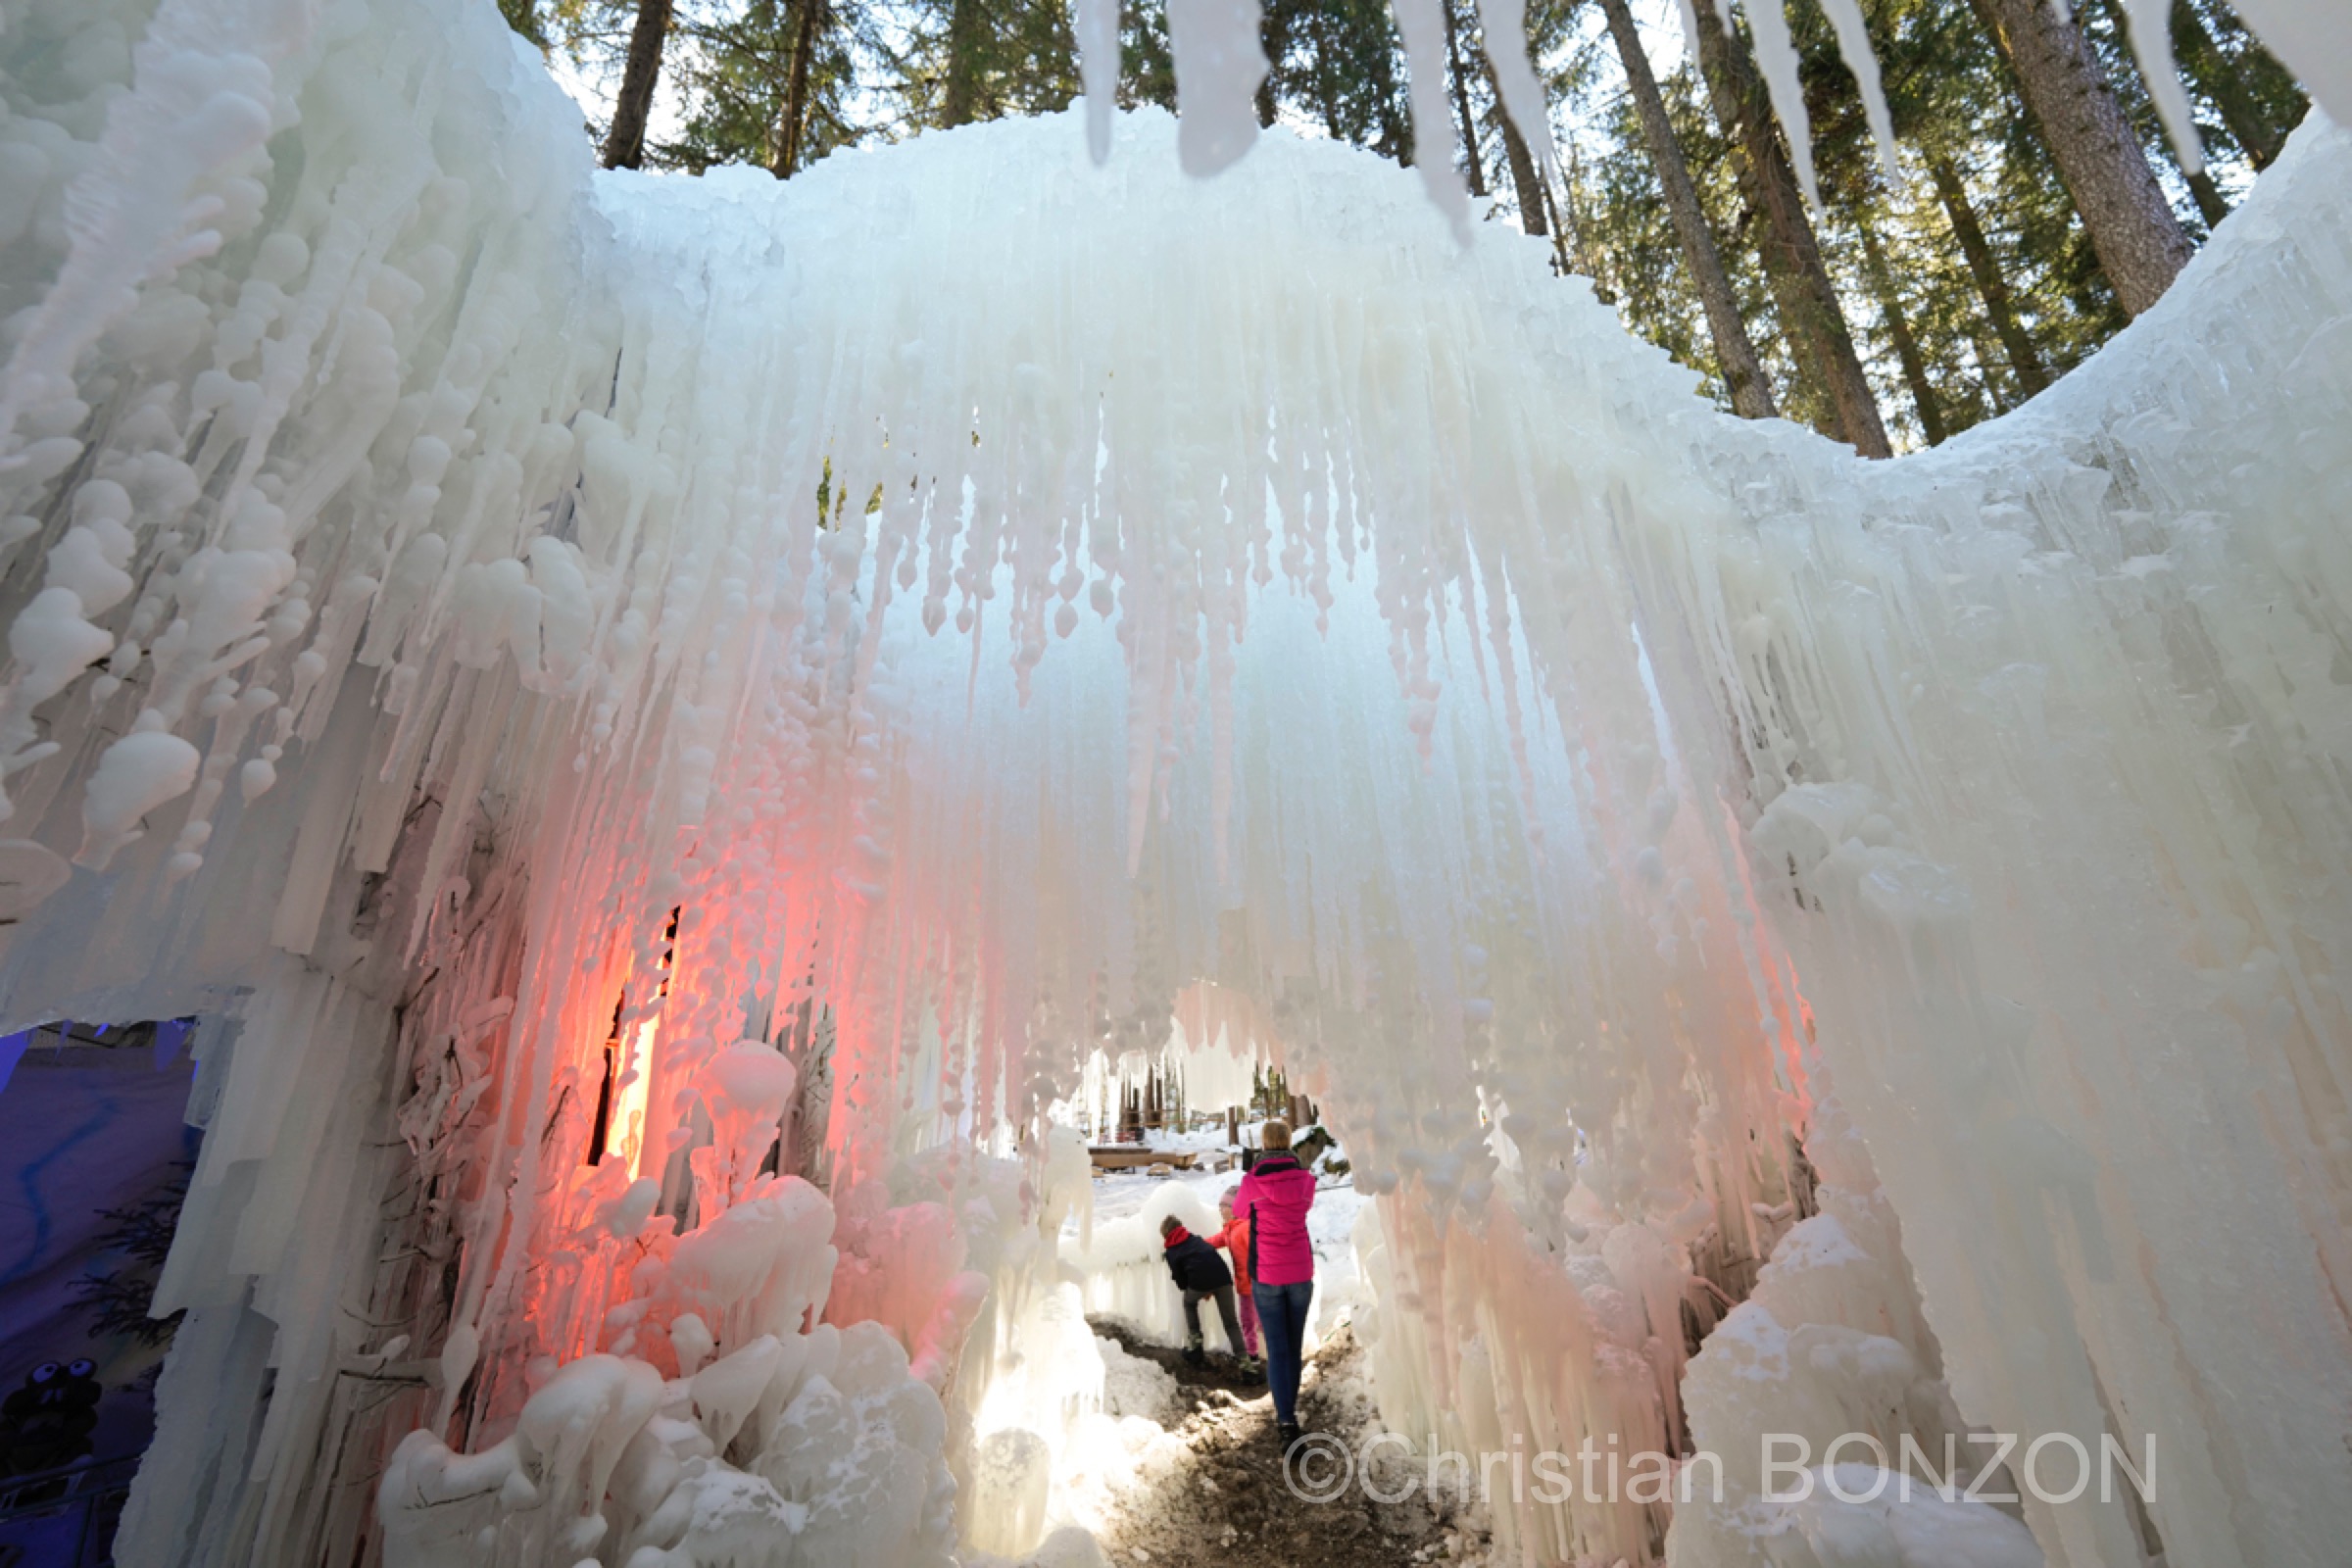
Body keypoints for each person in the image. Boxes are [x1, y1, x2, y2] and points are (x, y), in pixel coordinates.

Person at [1234, 1118, 1317, 1448]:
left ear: (1264, 1144)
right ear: (1289, 1143)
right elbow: (1304, 1204)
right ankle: (1290, 1410)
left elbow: (1240, 1212)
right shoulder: (1306, 1180)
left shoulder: (1253, 1181)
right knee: (1293, 1347)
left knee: (1277, 1350)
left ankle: (1286, 1421)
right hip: (1300, 1272)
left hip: (1267, 1275)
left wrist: (1253, 1173)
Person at [1158, 1214, 1246, 1366]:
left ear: (1166, 1234)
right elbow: (1210, 1258)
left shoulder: (1172, 1251)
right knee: (1231, 1323)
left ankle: (1195, 1347)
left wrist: (1201, 1288)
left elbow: (1181, 1282)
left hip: (1200, 1283)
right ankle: (1247, 1366)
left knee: (1188, 1303)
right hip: (1223, 1278)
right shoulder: (1196, 1239)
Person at [1205, 1189, 1262, 1377]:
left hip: (1256, 1284)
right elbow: (1214, 1241)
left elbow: (1259, 1252)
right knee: (1252, 1321)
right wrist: (1191, 1245)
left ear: (1236, 1207)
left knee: (1251, 1321)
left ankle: (1253, 1355)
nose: (1221, 1209)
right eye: (1220, 1205)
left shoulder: (1245, 1228)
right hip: (1244, 1286)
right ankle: (1259, 1351)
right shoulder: (1230, 1230)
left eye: (1225, 1205)